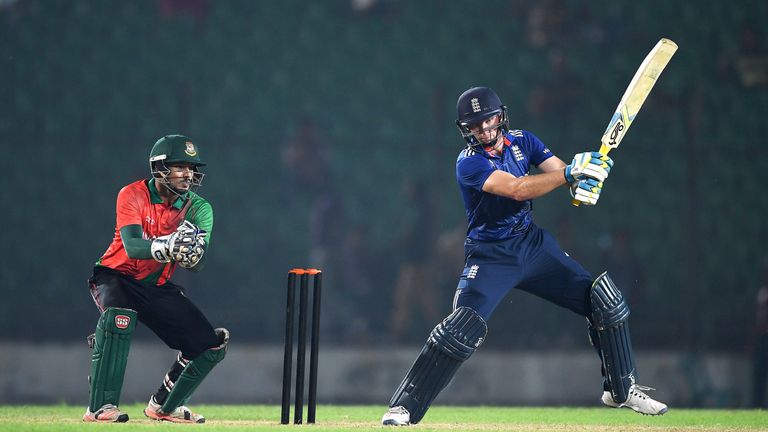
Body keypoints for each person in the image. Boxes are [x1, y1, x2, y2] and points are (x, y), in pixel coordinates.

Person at [381, 87, 667, 426]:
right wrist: (569, 175)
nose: (484, 130)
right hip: (490, 256)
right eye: (475, 125)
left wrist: (587, 175)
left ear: (500, 116)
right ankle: (405, 406)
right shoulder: (468, 163)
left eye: (488, 120)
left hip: (532, 245)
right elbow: (519, 188)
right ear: (466, 128)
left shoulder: (524, 141)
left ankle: (621, 389)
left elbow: (561, 173)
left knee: (604, 302)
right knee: (460, 328)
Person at [83, 135, 228, 423]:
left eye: (192, 167)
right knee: (118, 319)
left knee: (208, 344)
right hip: (116, 276)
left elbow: (198, 265)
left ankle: (165, 406)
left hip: (156, 286)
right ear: (160, 167)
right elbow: (133, 245)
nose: (188, 174)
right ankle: (100, 407)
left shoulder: (200, 208)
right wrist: (167, 245)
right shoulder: (132, 194)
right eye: (180, 167)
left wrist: (193, 254)